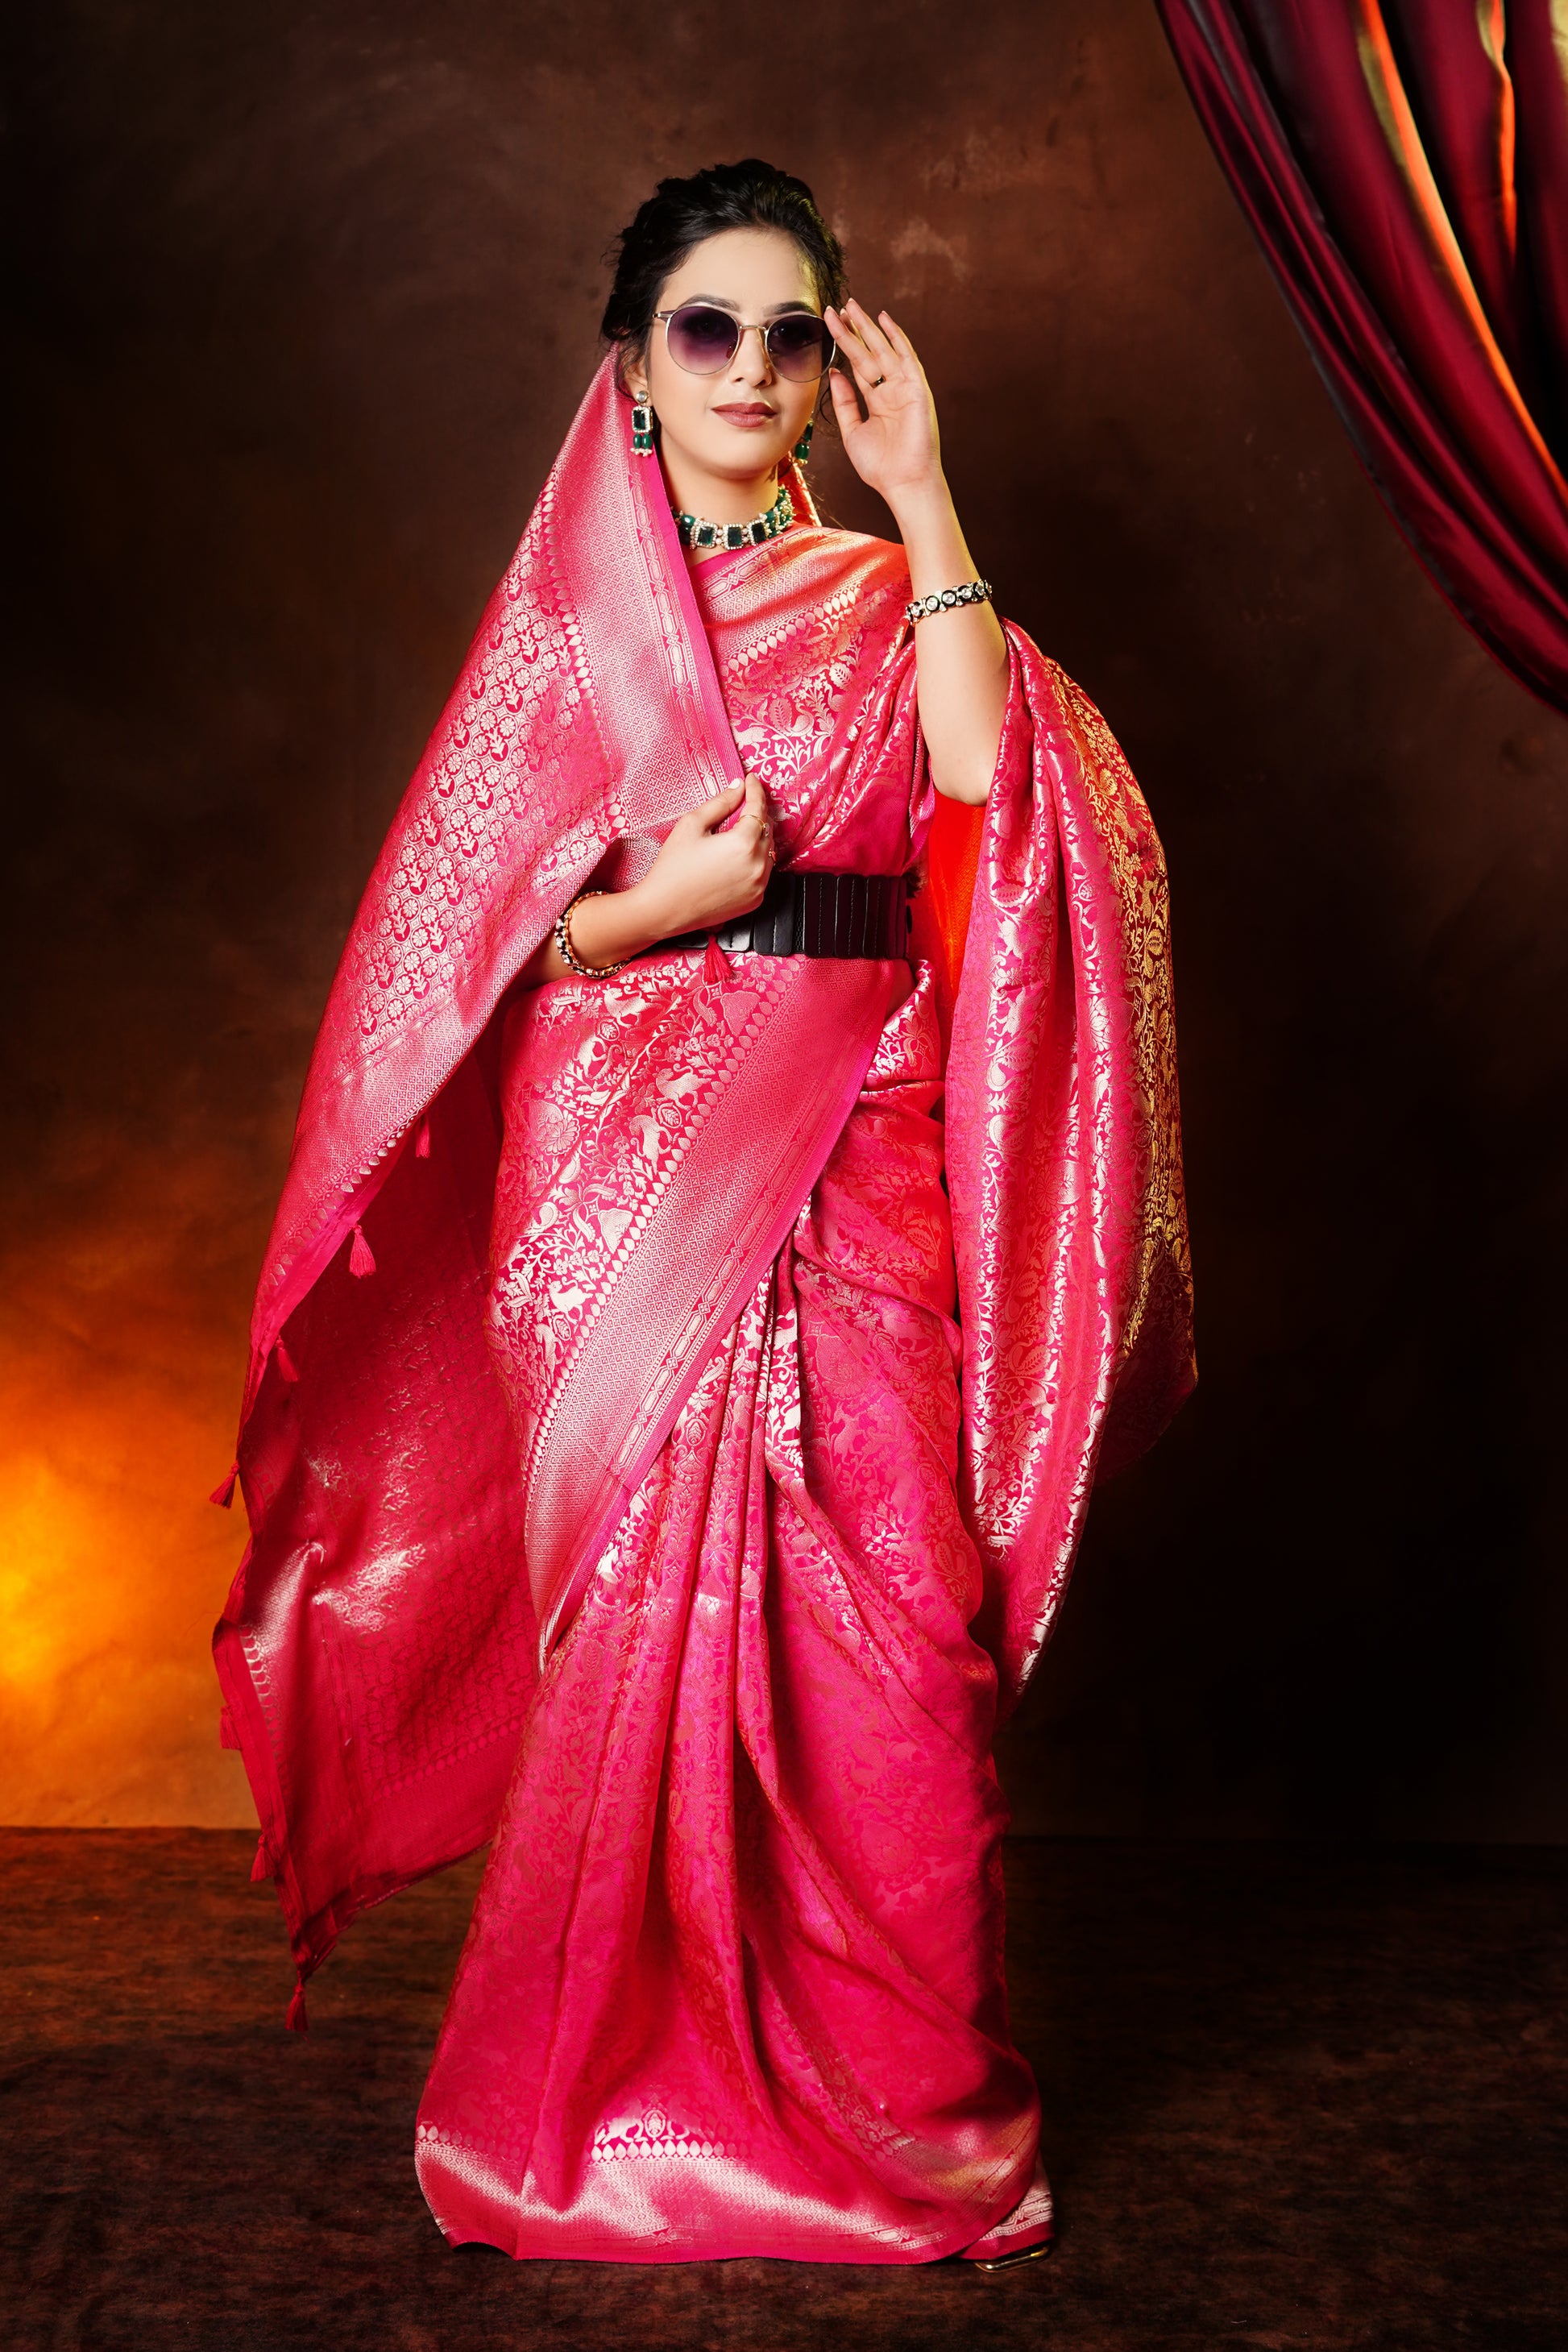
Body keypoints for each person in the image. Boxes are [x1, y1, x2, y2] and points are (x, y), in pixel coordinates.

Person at [213, 158, 1194, 2269]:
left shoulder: (873, 586)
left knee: (895, 1651)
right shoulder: (574, 632)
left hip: (865, 1144)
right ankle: (579, 2115)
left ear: (831, 365)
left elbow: (982, 782)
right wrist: (654, 909)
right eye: (705, 328)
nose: (750, 368)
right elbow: (468, 944)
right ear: (635, 369)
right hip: (623, 1167)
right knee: (634, 1639)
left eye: (788, 332)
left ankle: (915, 2128)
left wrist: (923, 494)